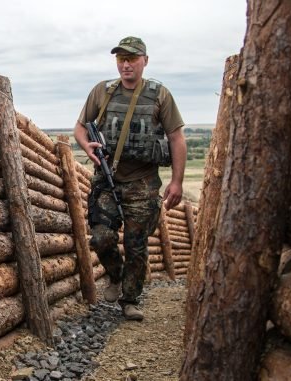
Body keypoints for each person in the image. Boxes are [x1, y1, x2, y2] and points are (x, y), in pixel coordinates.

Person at [73, 36, 187, 321]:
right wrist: (86, 145)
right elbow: (79, 127)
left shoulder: (160, 95)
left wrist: (177, 181)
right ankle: (115, 275)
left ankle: (130, 299)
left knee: (137, 245)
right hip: (107, 179)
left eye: (132, 58)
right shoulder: (102, 91)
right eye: (121, 58)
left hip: (143, 183)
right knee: (101, 237)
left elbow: (176, 138)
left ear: (144, 61)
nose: (126, 64)